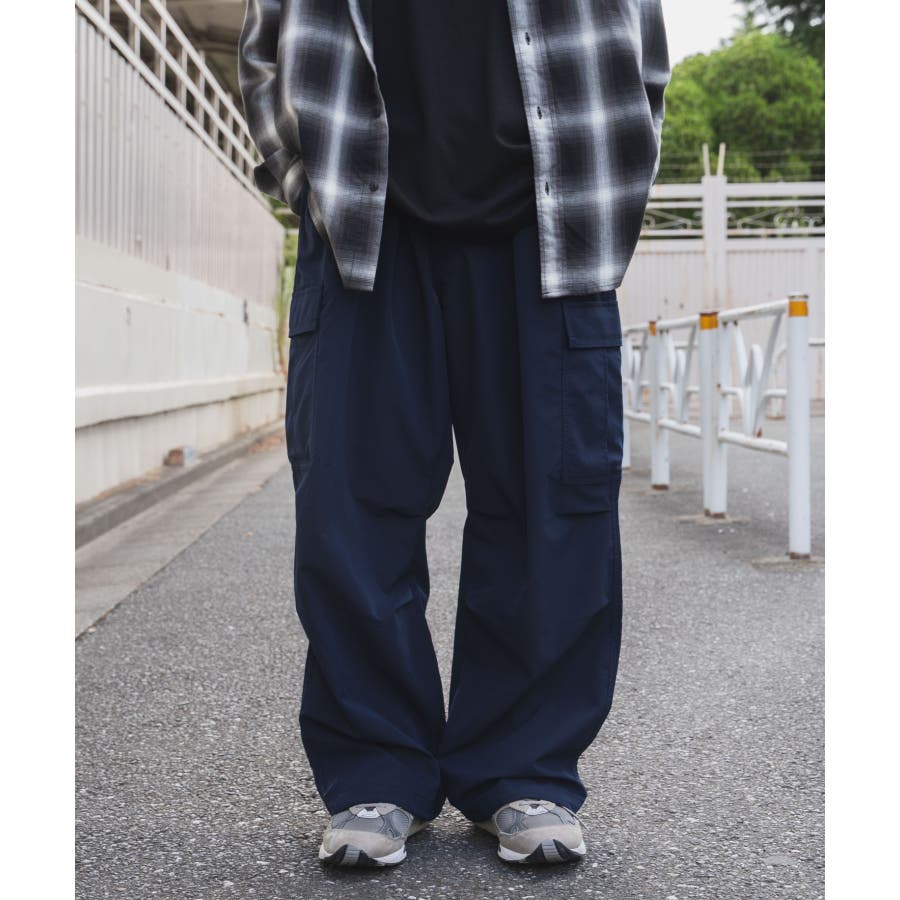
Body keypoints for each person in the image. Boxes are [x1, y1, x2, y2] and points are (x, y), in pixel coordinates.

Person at [239, 0, 668, 868]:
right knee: (350, 511)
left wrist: (610, 177)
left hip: (550, 228)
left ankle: (524, 768)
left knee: (555, 508)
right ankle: (377, 771)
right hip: (364, 228)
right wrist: (308, 185)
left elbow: (641, 53)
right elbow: (266, 51)